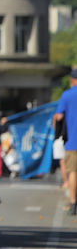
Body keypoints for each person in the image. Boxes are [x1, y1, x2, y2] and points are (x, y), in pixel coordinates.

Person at [53, 69, 77, 216]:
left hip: (72, 142)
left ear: (72, 79)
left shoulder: (67, 95)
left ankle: (74, 202)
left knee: (73, 172)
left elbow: (59, 116)